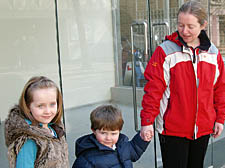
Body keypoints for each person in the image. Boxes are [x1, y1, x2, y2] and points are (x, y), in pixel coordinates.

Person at [140, 1, 225, 168]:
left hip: (203, 128)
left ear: (203, 25)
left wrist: (220, 119)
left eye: (190, 26)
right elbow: (153, 90)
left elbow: (219, 89)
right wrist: (147, 121)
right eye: (180, 25)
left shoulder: (213, 53)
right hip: (172, 129)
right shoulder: (165, 51)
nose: (184, 31)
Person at [4, 76, 69, 168]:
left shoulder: (55, 131)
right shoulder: (29, 141)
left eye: (52, 104)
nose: (47, 111)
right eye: (40, 106)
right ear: (28, 106)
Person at [72, 104, 151, 168]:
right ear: (94, 130)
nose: (108, 138)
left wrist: (142, 138)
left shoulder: (122, 145)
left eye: (113, 133)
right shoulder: (87, 159)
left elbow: (134, 149)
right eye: (103, 133)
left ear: (119, 131)